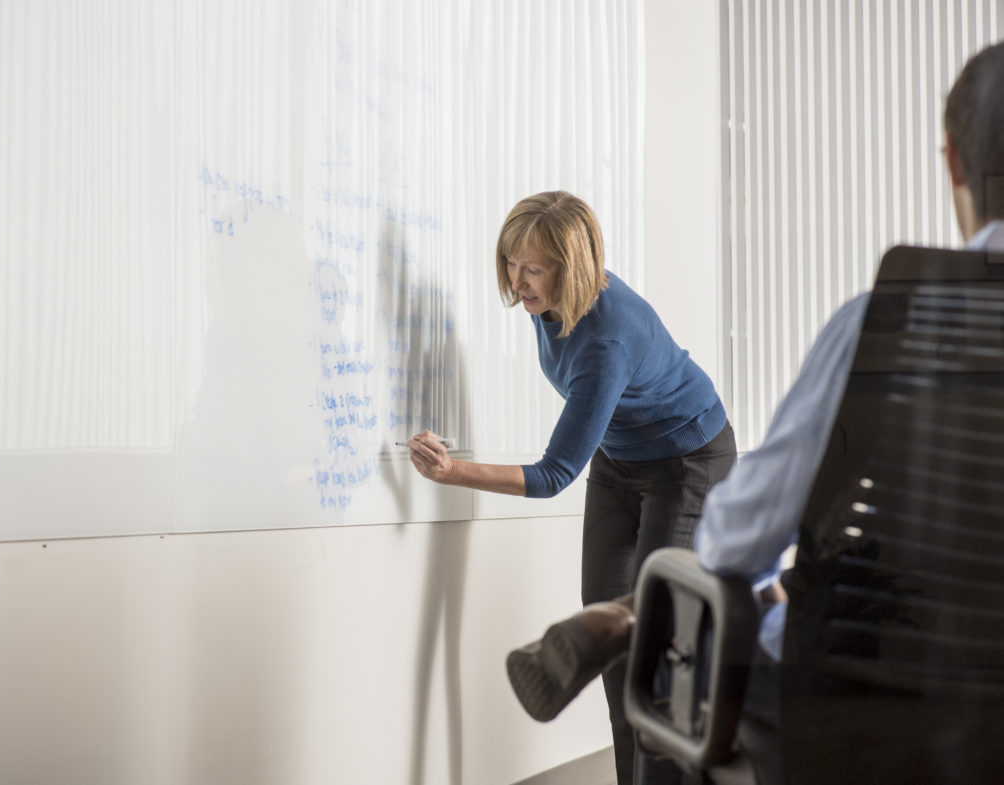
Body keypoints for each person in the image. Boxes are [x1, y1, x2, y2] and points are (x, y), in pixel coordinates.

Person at [504, 38, 1004, 765]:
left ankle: (622, 618)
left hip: (869, 702)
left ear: (954, 161)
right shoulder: (579, 327)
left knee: (725, 607)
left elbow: (736, 535)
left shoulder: (883, 323)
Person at [403, 190, 736, 785]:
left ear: (572, 266)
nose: (518, 280)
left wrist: (453, 473)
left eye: (533, 268)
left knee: (657, 638)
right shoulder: (547, 306)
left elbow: (554, 474)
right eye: (511, 262)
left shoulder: (608, 339)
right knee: (603, 637)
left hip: (689, 461)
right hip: (620, 459)